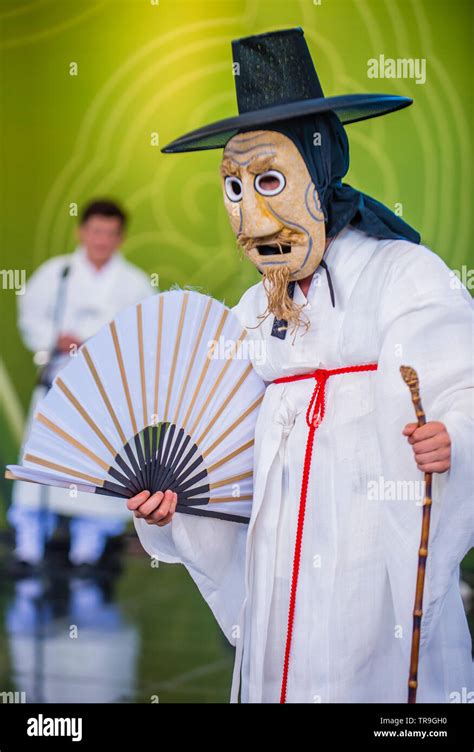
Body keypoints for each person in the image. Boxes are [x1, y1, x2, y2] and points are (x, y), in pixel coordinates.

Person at [127, 29, 473, 702]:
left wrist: (454, 436)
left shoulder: (402, 273)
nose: (251, 213)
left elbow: (464, 380)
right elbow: (216, 443)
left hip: (375, 545)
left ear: (320, 168)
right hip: (278, 557)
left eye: (270, 181)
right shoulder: (251, 310)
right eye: (234, 186)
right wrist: (176, 503)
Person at [10, 199, 153, 570]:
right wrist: (53, 338)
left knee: (95, 468)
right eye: (95, 231)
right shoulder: (56, 274)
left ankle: (89, 554)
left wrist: (99, 344)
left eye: (109, 233)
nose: (101, 240)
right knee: (41, 464)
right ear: (82, 232)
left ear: (120, 238)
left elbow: (144, 335)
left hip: (104, 391)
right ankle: (27, 549)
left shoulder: (135, 283)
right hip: (58, 381)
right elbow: (31, 317)